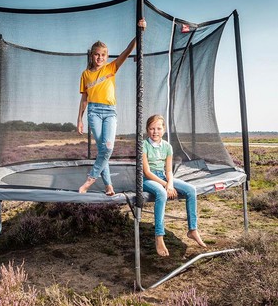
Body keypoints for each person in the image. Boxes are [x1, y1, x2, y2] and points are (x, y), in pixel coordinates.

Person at [77, 18, 147, 195]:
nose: (100, 58)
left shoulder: (111, 68)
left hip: (109, 112)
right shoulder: (85, 74)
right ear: (91, 55)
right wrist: (79, 119)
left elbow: (126, 51)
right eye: (96, 54)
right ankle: (108, 185)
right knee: (103, 150)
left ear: (107, 57)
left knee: (108, 147)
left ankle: (90, 179)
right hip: (93, 112)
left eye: (103, 55)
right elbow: (84, 98)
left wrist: (140, 32)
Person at [143, 114, 207, 256]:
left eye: (158, 128)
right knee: (161, 193)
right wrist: (166, 185)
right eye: (152, 128)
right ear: (147, 130)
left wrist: (170, 183)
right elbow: (147, 172)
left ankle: (192, 229)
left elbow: (168, 171)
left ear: (163, 130)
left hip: (164, 177)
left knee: (191, 189)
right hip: (148, 179)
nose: (155, 132)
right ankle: (159, 237)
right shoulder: (144, 145)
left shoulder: (167, 147)